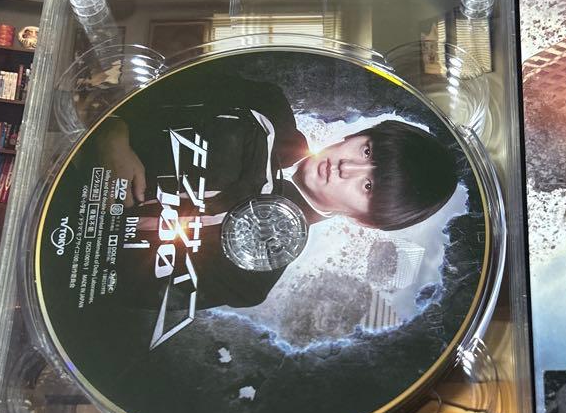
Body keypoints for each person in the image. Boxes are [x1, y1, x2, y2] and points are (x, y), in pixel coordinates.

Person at [82, 67, 459, 318]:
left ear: (366, 221)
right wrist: (112, 133)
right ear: (359, 135)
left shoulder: (251, 277)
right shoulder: (266, 104)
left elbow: (107, 291)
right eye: (368, 152)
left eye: (368, 186)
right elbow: (157, 87)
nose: (347, 168)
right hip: (72, 136)